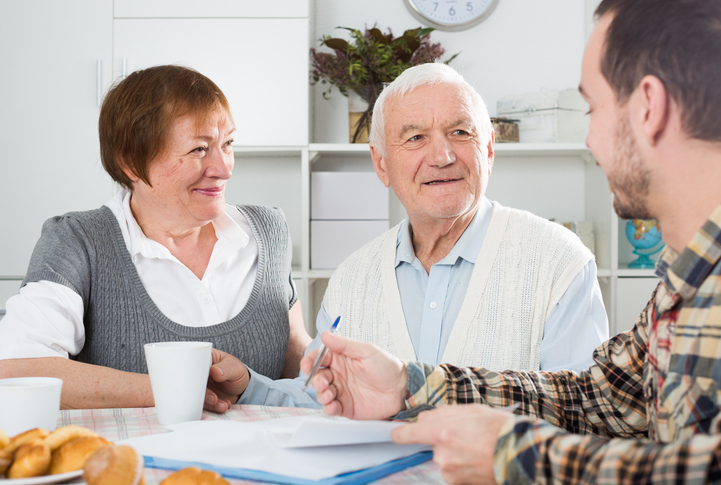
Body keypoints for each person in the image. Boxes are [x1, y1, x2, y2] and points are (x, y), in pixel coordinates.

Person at [302, 0, 721, 482]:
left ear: (649, 107)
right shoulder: (685, 275)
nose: (588, 139)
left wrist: (514, 454)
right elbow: (602, 399)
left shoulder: (561, 260)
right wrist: (411, 384)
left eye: (593, 107)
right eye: (414, 138)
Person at [0, 65, 310, 410]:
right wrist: (175, 390)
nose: (223, 168)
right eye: (199, 149)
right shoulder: (79, 241)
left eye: (228, 144)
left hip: (263, 459)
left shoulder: (269, 230)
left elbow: (294, 354)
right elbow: (14, 370)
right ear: (132, 162)